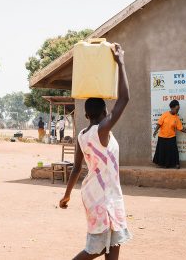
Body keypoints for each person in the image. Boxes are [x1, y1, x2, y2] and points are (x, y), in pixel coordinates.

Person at [59, 44, 131, 260]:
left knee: (113, 244)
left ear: (86, 114)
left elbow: (76, 169)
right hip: (105, 197)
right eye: (108, 111)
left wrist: (67, 195)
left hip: (94, 194)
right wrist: (120, 62)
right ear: (103, 112)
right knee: (99, 248)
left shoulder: (82, 135)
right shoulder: (103, 130)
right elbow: (124, 99)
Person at [153, 100, 186, 169]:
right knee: (162, 152)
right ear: (172, 108)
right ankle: (164, 165)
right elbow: (159, 123)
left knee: (174, 152)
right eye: (177, 109)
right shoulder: (165, 115)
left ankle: (176, 164)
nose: (178, 111)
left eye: (178, 109)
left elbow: (181, 128)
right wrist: (155, 131)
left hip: (171, 137)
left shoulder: (176, 118)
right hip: (162, 137)